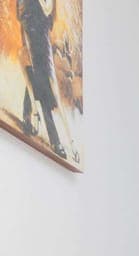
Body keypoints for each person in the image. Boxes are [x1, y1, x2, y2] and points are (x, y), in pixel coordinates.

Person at [18, 0, 67, 159]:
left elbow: (49, 8)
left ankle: (27, 116)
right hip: (30, 24)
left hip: (42, 27)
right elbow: (23, 7)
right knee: (40, 76)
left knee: (38, 74)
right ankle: (55, 138)